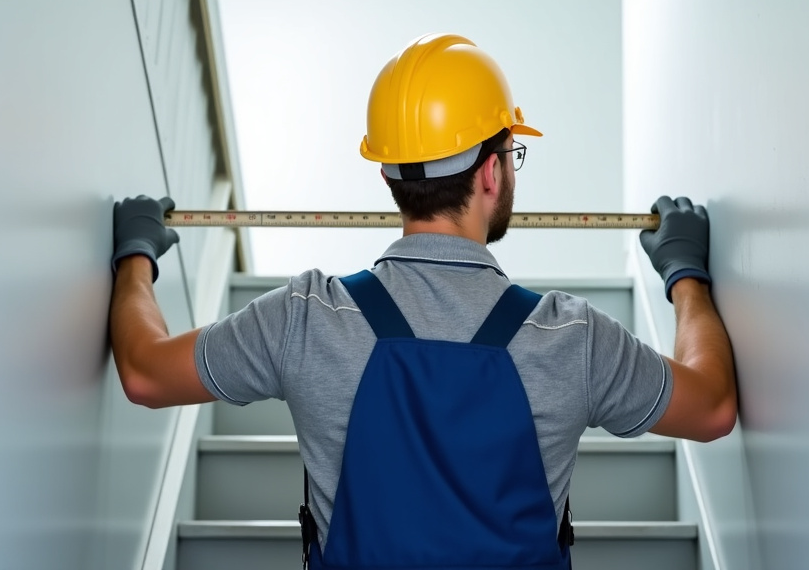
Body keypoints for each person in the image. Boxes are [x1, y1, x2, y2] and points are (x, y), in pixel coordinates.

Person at [109, 33, 736, 569]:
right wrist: (684, 275)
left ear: (387, 176)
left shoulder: (304, 317)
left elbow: (143, 370)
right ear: (492, 172)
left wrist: (136, 254)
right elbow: (710, 408)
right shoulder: (570, 336)